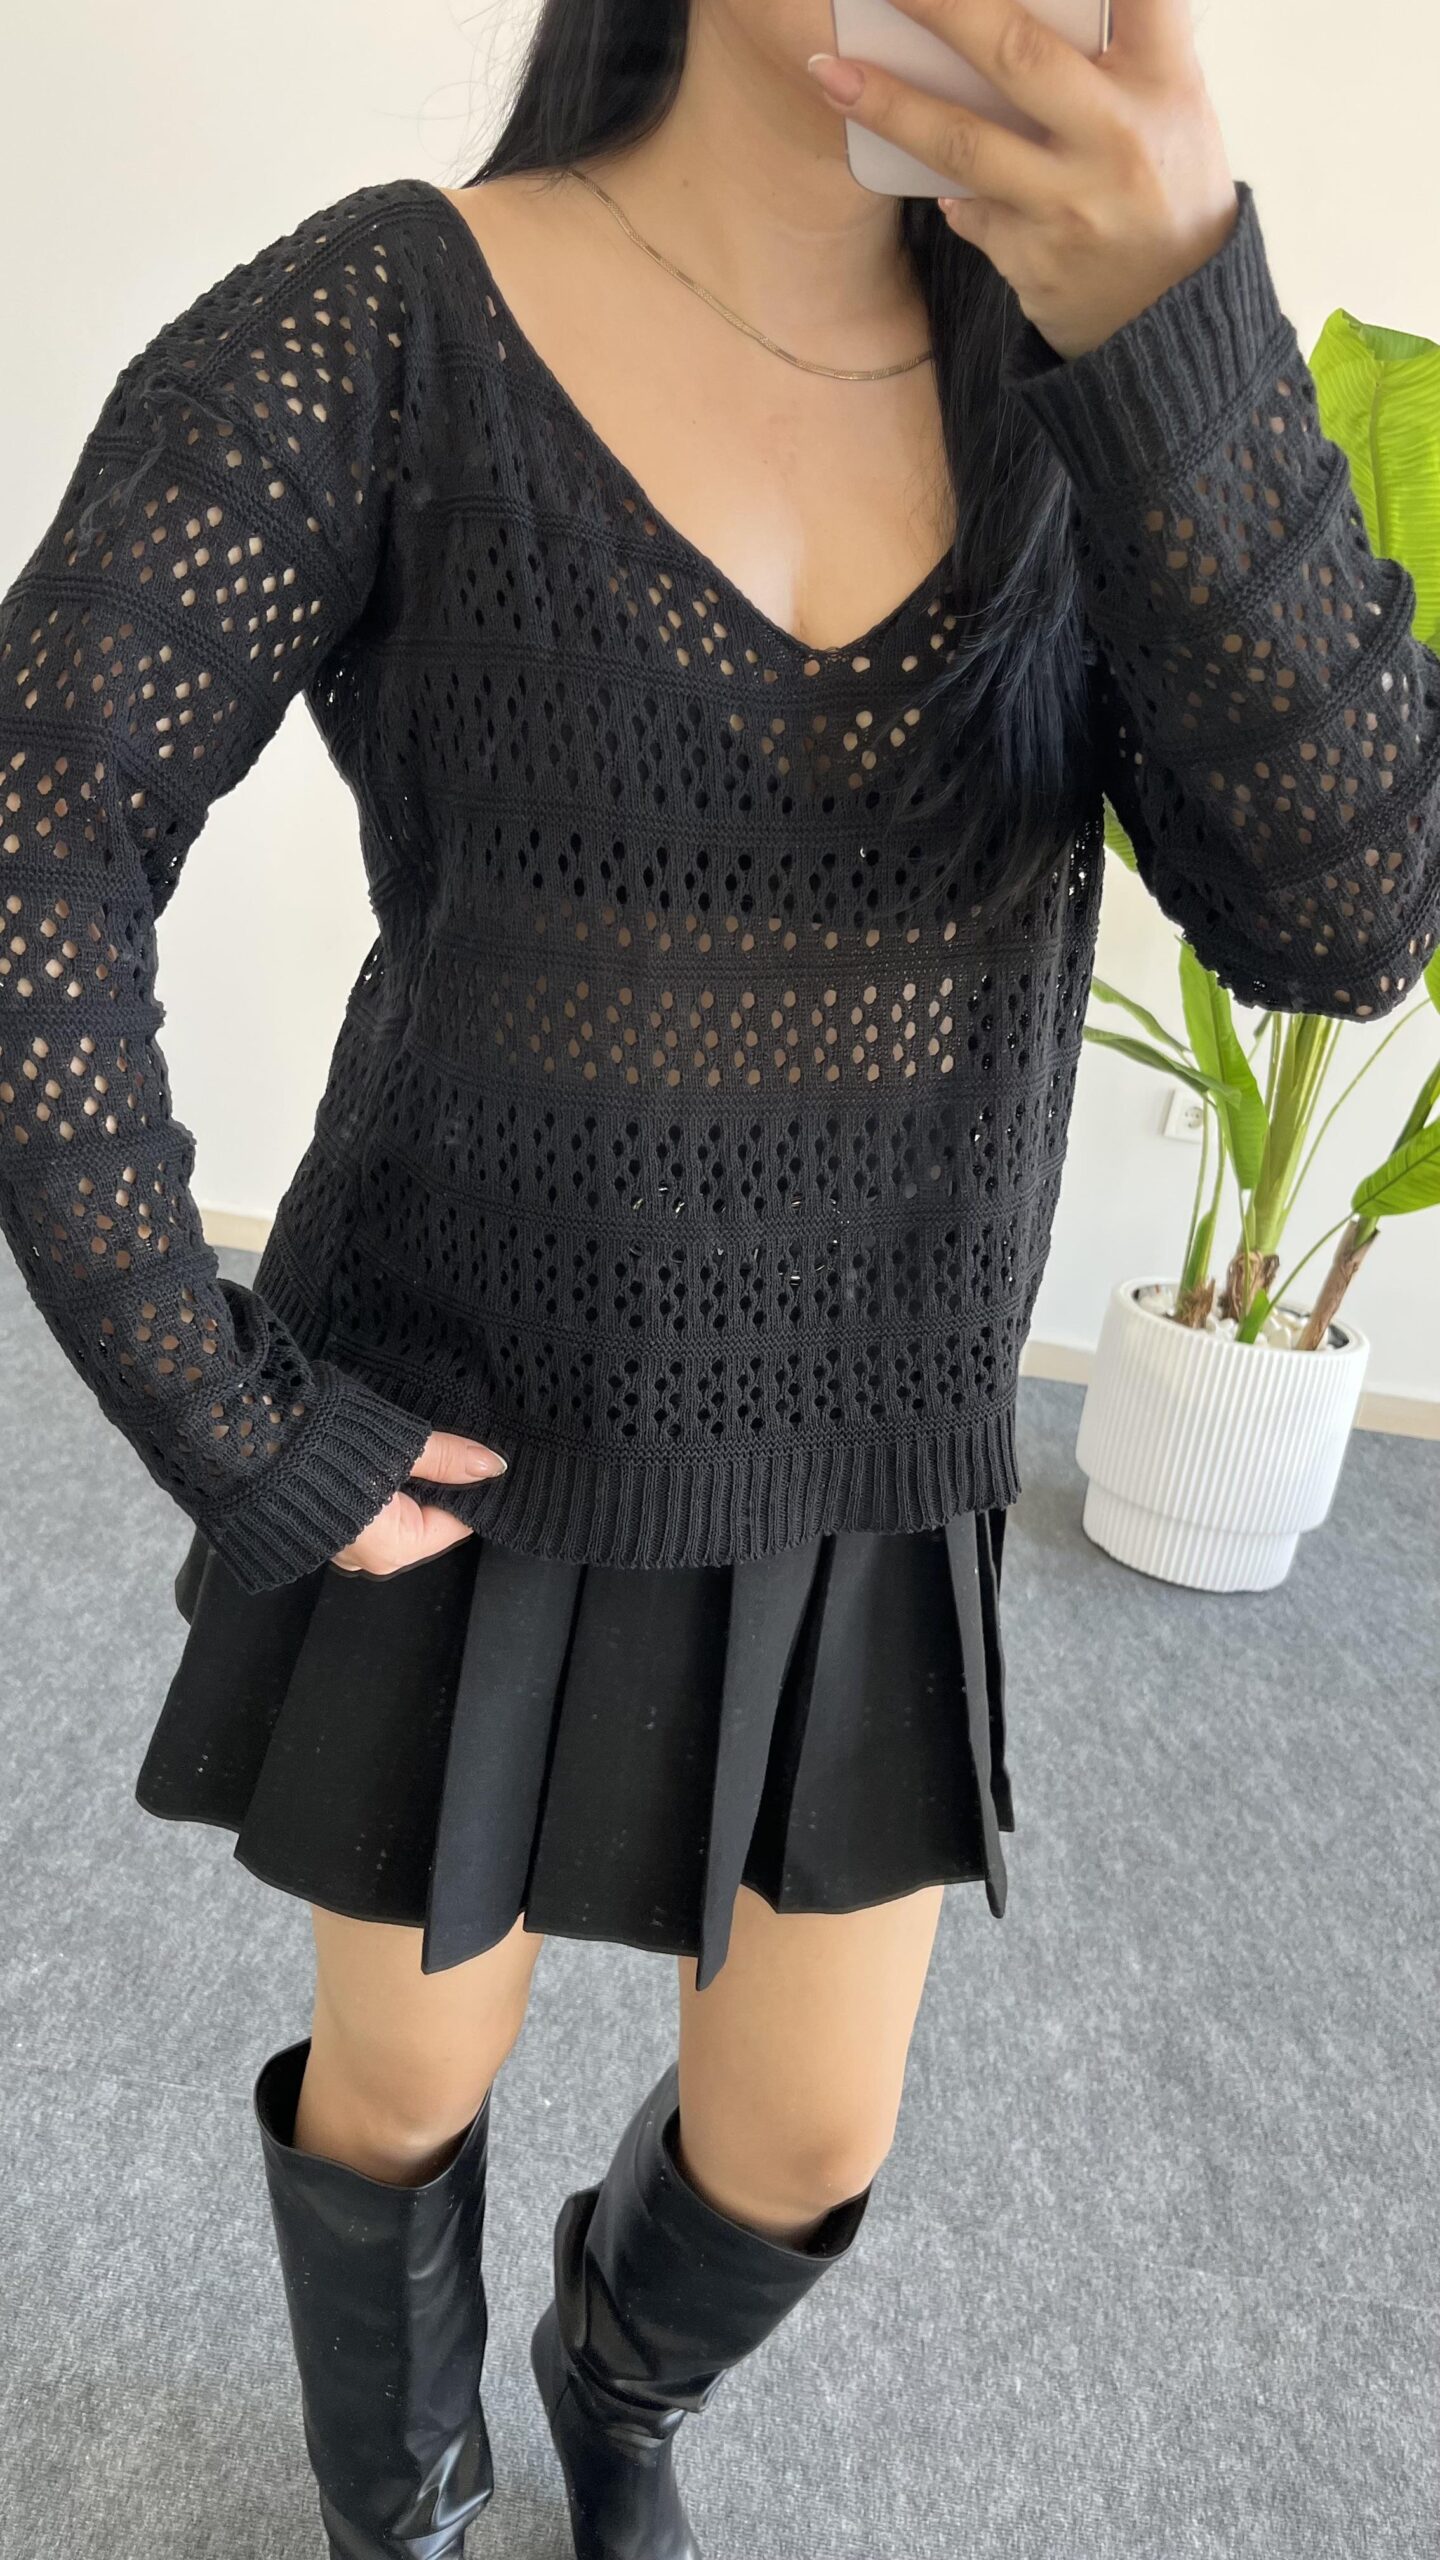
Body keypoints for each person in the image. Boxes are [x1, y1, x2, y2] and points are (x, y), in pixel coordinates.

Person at [3, 4, 1436, 2556]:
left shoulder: (1092, 395)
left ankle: (614, 2364)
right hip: (459, 1441)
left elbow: (1345, 915)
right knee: (400, 2088)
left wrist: (1179, 323)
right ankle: (406, 2488)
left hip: (867, 1465)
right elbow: (39, 829)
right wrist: (223, 1411)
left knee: (801, 2142)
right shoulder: (391, 319)